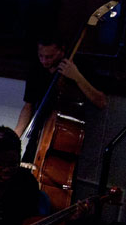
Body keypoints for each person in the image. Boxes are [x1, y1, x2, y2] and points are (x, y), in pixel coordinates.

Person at [14, 32, 107, 161]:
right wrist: (14, 137)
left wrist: (77, 77)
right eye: (41, 56)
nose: (44, 61)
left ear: (62, 50)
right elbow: (28, 106)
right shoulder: (36, 69)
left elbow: (101, 102)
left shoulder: (81, 65)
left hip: (64, 140)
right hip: (38, 135)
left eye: (49, 56)